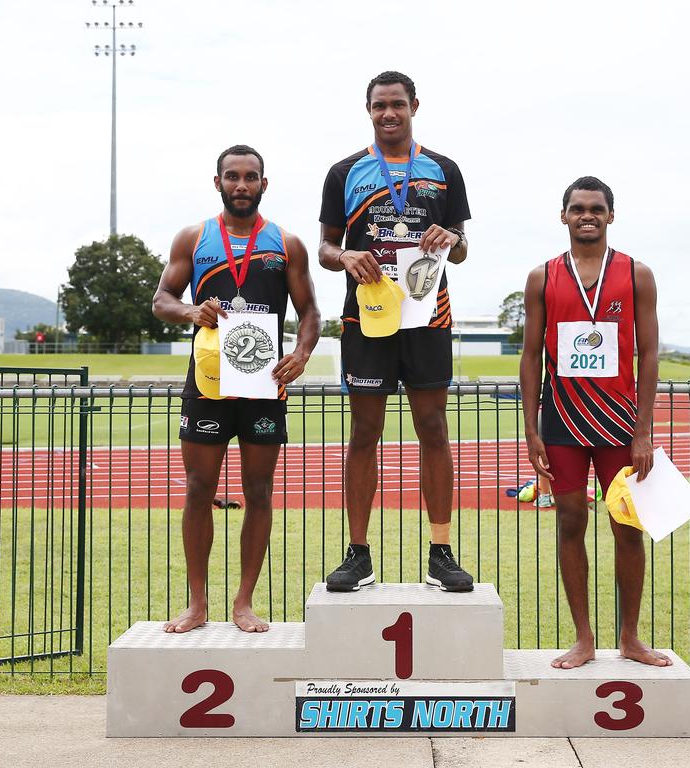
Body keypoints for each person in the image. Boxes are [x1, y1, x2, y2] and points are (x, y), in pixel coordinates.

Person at [153, 145, 321, 632]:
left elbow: (310, 311)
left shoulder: (286, 243)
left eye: (251, 177)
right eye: (233, 177)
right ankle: (197, 604)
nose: (241, 185)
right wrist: (190, 311)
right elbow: (163, 298)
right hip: (207, 383)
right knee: (199, 489)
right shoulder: (194, 237)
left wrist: (302, 354)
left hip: (264, 383)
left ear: (264, 184)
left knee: (259, 491)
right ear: (218, 182)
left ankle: (243, 603)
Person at [318, 71, 473, 592]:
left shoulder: (444, 170)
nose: (390, 113)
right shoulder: (345, 172)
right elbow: (325, 249)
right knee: (365, 433)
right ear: (368, 110)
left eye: (398, 104)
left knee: (433, 428)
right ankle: (358, 553)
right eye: (380, 105)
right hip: (368, 315)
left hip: (430, 315)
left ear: (414, 106)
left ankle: (441, 551)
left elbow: (463, 247)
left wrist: (450, 236)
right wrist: (345, 255)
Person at [520, 176, 670, 668]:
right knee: (570, 522)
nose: (588, 215)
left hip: (619, 426)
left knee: (628, 528)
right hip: (562, 422)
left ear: (611, 215)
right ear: (563, 216)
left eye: (597, 208)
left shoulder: (636, 274)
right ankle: (584, 638)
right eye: (578, 208)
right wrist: (531, 428)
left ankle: (629, 637)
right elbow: (530, 356)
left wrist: (644, 430)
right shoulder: (542, 276)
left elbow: (648, 355)